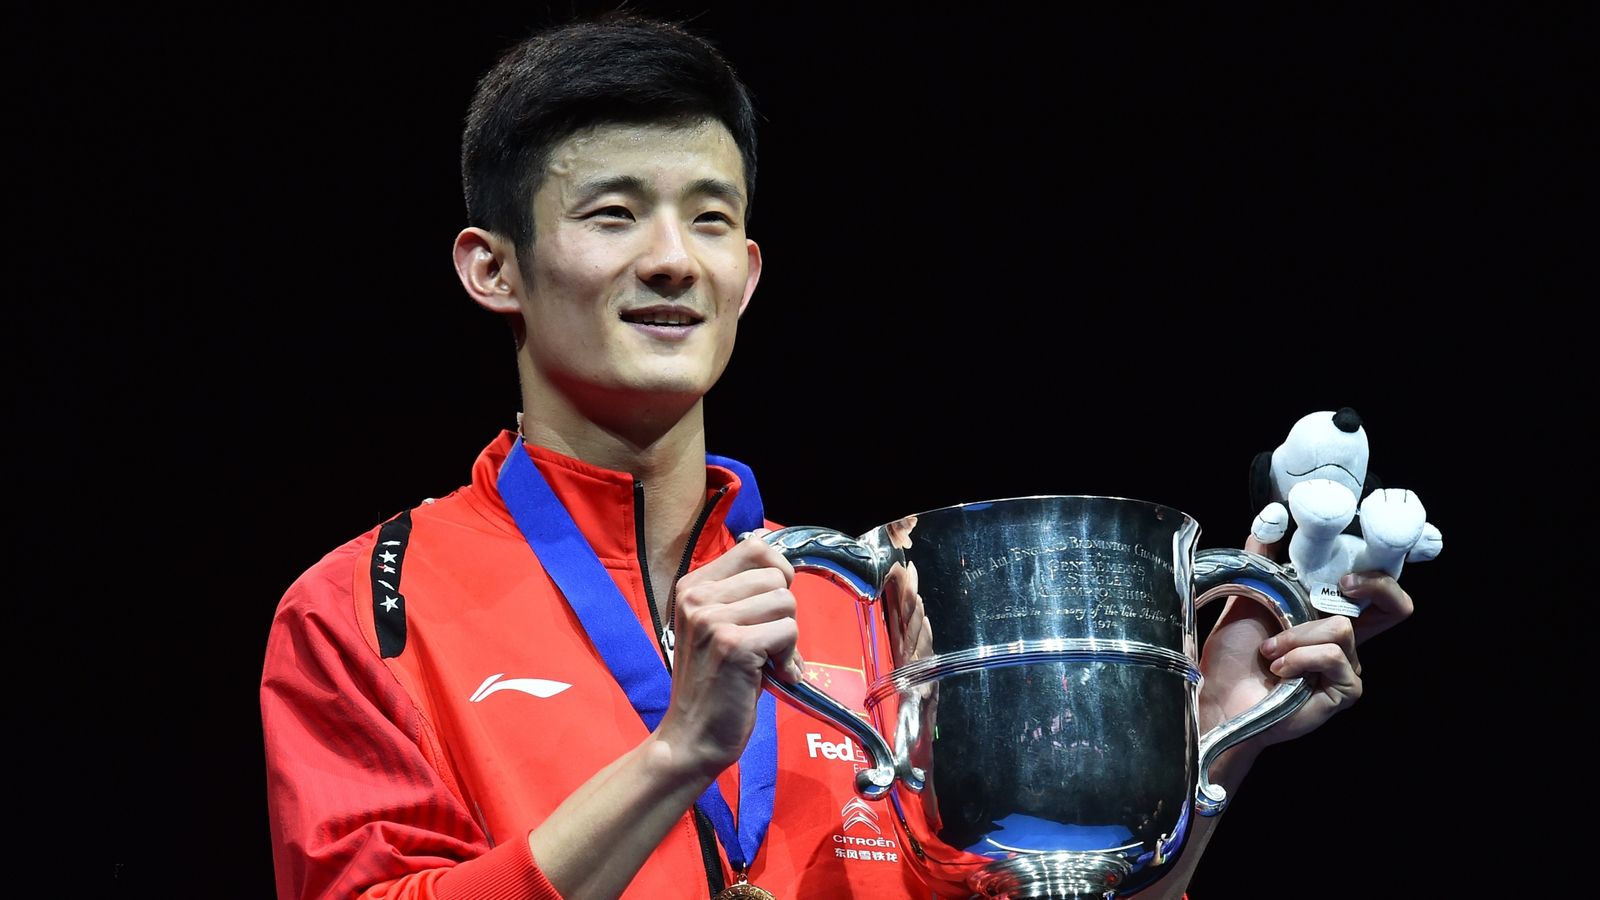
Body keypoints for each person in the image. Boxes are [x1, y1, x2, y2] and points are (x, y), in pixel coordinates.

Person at [259, 12, 1415, 900]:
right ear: (491, 269)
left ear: (749, 275)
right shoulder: (365, 608)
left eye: (710, 219)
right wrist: (678, 756)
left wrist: (1208, 743)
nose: (673, 261)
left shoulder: (861, 601)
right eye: (612, 214)